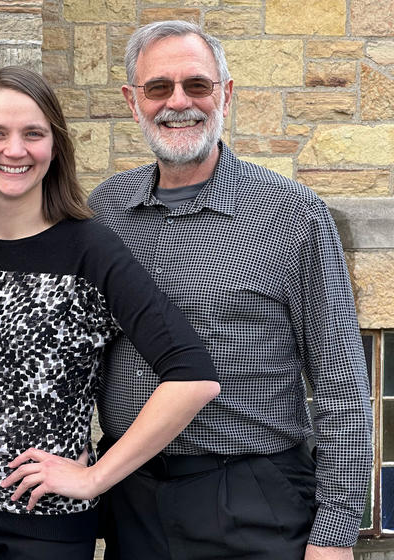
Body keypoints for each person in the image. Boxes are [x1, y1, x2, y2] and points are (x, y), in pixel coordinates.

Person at [84, 20, 373, 560]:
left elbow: (342, 386)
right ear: (132, 100)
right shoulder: (105, 212)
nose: (179, 103)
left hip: (254, 500)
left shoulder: (291, 214)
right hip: (134, 500)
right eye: (158, 88)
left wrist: (334, 536)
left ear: (227, 94)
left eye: (197, 85)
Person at [0, 66, 219, 560]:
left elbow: (192, 375)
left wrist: (96, 475)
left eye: (33, 134)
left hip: (46, 527)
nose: (15, 150)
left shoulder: (90, 248)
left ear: (54, 146)